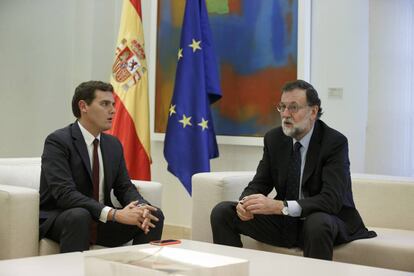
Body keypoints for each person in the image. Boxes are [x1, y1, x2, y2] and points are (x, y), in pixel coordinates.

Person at [210, 79, 376, 260]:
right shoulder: (274, 139)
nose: (285, 114)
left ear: (313, 111)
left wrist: (281, 207)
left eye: (293, 108)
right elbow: (260, 182)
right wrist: (245, 203)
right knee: (223, 212)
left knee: (316, 223)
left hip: (326, 220)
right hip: (286, 224)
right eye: (282, 107)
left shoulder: (334, 143)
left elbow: (331, 200)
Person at [39, 81, 164, 253]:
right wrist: (114, 214)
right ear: (83, 106)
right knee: (79, 215)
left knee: (153, 215)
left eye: (113, 104)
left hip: (100, 220)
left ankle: (139, 270)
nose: (113, 110)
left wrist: (140, 207)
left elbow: (124, 187)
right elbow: (65, 194)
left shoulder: (113, 144)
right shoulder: (58, 141)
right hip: (64, 217)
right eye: (105, 104)